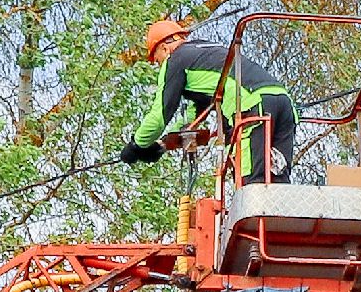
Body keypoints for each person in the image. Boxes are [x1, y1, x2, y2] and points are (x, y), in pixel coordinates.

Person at [120, 19, 297, 183]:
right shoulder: (205, 52)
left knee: (251, 182)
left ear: (165, 48)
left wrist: (137, 145)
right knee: (277, 177)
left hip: (252, 108)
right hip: (284, 102)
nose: (159, 65)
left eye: (157, 60)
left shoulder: (175, 61)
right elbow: (194, 117)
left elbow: (159, 115)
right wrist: (162, 145)